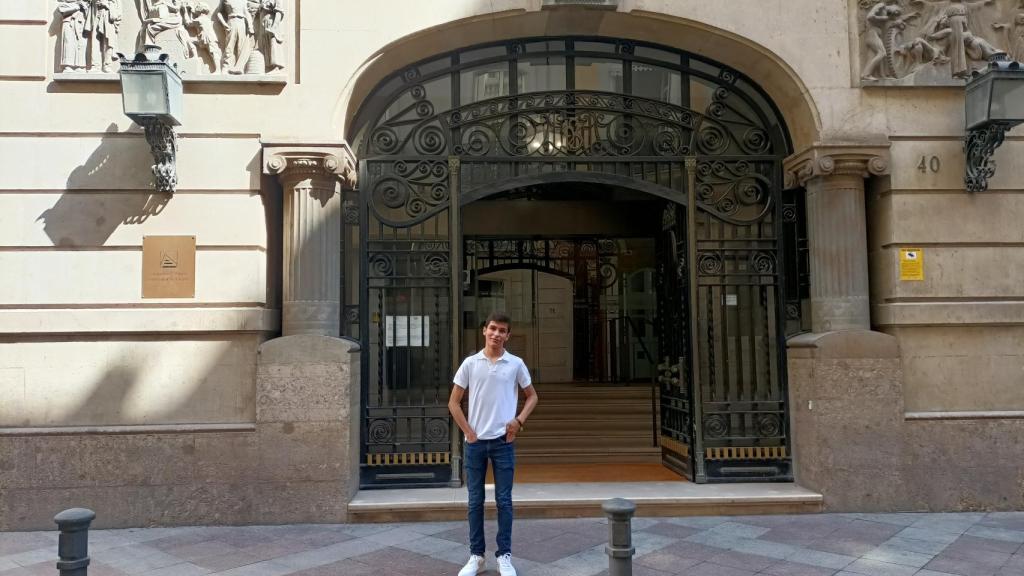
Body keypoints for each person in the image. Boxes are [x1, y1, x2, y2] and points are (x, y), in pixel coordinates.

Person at [448, 311, 538, 576]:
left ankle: (504, 555)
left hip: (503, 442)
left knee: (504, 501)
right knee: (475, 501)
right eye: (493, 328)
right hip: (475, 444)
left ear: (508, 335)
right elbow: (453, 402)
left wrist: (519, 421)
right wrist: (468, 431)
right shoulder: (470, 364)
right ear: (484, 330)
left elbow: (532, 396)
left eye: (502, 330)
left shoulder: (516, 364)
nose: (497, 334)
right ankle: (476, 556)